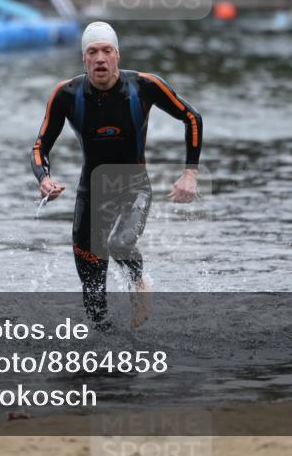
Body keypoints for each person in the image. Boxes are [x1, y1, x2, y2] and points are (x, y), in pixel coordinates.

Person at [31, 22, 203, 329]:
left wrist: (190, 172)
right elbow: (40, 146)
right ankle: (106, 367)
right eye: (93, 52)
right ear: (84, 60)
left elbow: (191, 117)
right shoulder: (66, 94)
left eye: (106, 51)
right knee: (93, 299)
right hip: (90, 193)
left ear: (117, 56)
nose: (100, 59)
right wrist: (44, 179)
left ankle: (139, 283)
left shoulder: (144, 86)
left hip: (134, 187)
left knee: (121, 244)